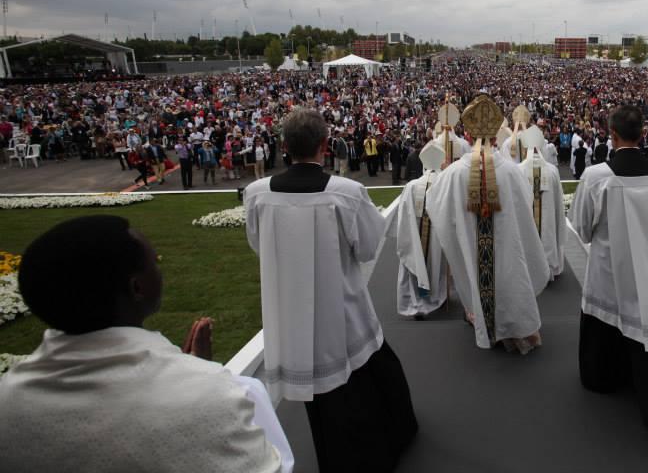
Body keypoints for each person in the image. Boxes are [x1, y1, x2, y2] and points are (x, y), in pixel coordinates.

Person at [0, 216, 291, 472]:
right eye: (155, 262)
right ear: (137, 287)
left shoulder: (9, 399)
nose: (160, 270)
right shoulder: (206, 394)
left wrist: (187, 372)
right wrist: (195, 378)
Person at [244, 109, 417, 471]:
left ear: (283, 146)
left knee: (328, 401)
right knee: (366, 383)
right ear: (325, 145)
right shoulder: (347, 192)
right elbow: (369, 247)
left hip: (290, 314)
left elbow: (259, 245)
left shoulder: (257, 194)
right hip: (343, 310)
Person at [569, 104, 648, 446]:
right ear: (644, 134)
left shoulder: (596, 177)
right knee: (646, 326)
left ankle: (603, 377)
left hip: (610, 270)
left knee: (606, 319)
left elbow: (581, 227)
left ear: (612, 135)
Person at [426, 93, 551, 354]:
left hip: (472, 243)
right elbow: (526, 202)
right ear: (496, 136)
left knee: (477, 270)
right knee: (509, 273)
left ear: (468, 137)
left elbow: (435, 204)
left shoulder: (454, 173)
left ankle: (483, 321)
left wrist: (443, 176)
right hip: (507, 244)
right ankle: (516, 326)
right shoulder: (511, 171)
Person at [376, 139, 449, 318]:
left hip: (416, 235)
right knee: (436, 264)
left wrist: (407, 237)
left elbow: (403, 218)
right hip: (438, 237)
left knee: (416, 260)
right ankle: (436, 297)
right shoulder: (446, 182)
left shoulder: (411, 186)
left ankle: (416, 300)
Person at [518, 125, 566, 280]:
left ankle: (529, 269)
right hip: (548, 218)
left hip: (527, 217)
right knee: (547, 230)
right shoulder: (552, 170)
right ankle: (549, 266)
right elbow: (558, 200)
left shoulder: (519, 169)